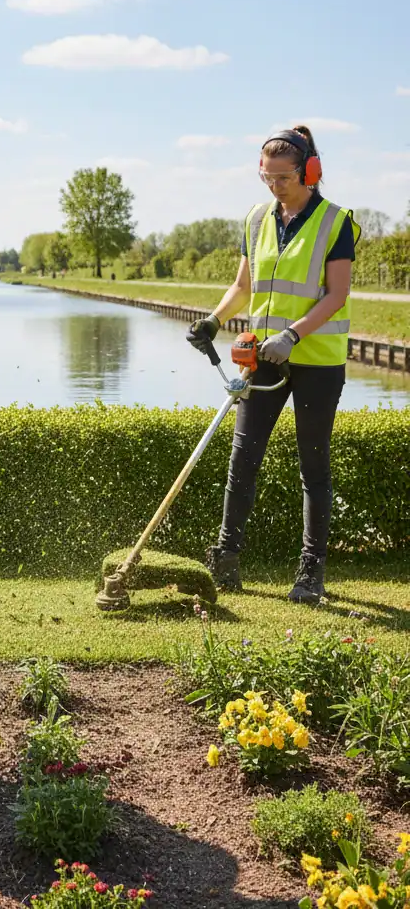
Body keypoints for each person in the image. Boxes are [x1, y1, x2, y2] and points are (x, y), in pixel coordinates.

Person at [186, 125, 360, 606]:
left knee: (314, 467)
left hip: (316, 360)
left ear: (310, 170)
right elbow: (243, 285)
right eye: (266, 177)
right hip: (263, 356)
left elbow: (338, 294)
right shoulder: (256, 219)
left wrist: (294, 334)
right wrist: (213, 319)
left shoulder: (336, 221)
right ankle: (225, 559)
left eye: (283, 177)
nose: (274, 185)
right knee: (242, 459)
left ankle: (310, 574)